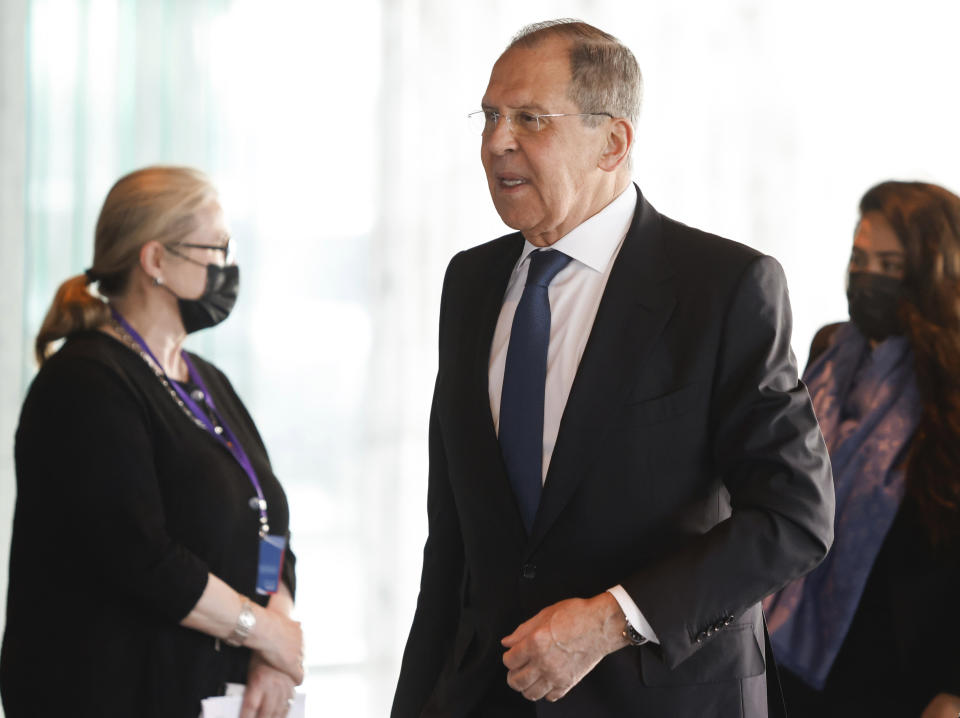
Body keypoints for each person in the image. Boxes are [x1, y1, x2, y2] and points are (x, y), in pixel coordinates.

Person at [392, 19, 834, 718]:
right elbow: (452, 546)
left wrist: (609, 619)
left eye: (530, 119)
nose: (496, 141)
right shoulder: (470, 282)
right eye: (490, 116)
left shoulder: (723, 287)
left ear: (613, 142)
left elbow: (793, 517)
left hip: (659, 698)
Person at [1, 166, 304, 718]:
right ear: (156, 260)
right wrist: (261, 628)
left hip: (212, 693)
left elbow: (268, 523)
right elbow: (140, 556)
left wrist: (272, 643)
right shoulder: (86, 383)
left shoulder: (206, 379)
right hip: (109, 694)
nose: (226, 267)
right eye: (215, 247)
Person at [765, 181, 960, 717]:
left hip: (900, 658)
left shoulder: (950, 378)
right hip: (789, 641)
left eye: (891, 266)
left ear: (933, 271)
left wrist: (954, 686)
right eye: (860, 259)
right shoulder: (831, 347)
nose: (868, 278)